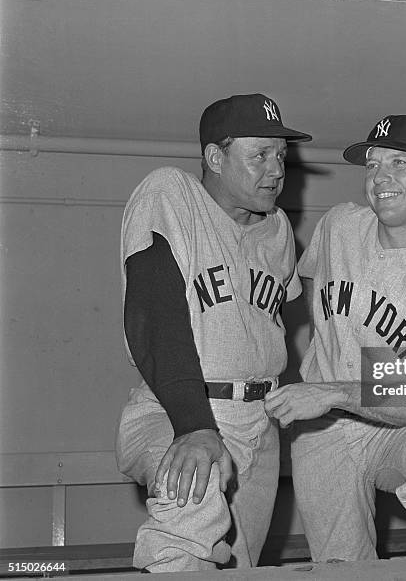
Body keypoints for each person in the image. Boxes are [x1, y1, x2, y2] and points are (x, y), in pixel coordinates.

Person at [265, 114, 406, 560]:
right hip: (326, 431)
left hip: (401, 427)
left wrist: (335, 389)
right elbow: (313, 285)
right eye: (372, 165)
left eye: (399, 163)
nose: (380, 177)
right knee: (341, 566)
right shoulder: (339, 226)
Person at [115, 93, 311, 572]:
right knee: (186, 525)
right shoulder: (172, 194)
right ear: (215, 157)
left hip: (259, 422)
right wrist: (195, 425)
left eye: (281, 155)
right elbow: (153, 317)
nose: (276, 169)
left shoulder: (279, 229)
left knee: (237, 566)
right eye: (259, 155)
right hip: (181, 407)